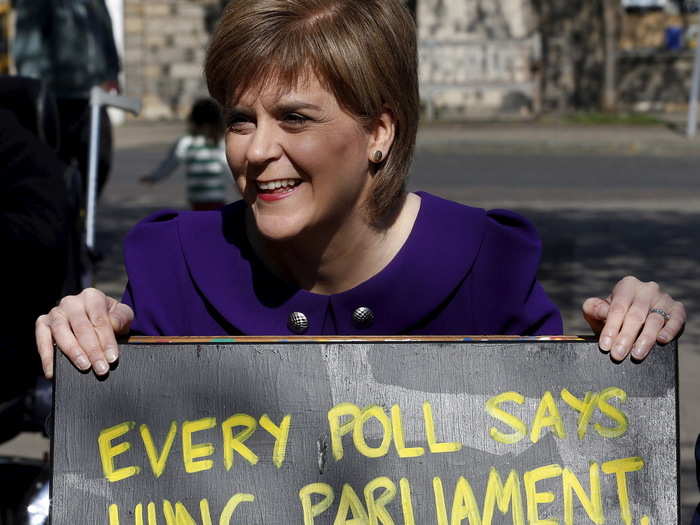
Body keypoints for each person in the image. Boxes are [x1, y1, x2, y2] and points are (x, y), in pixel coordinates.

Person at [35, 0, 686, 379]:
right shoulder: (172, 266)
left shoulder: (489, 267)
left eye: (294, 118)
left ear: (380, 131)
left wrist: (629, 342)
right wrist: (84, 335)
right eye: (241, 119)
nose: (258, 151)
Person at [12, 0, 121, 198]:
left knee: (99, 160)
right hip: (56, 97)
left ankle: (84, 211)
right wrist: (34, 91)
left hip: (93, 95)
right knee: (54, 162)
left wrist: (112, 73)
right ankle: (59, 212)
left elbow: (106, 30)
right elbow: (27, 45)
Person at [140, 98, 230, 211]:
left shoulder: (186, 143)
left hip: (201, 202)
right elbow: (229, 168)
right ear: (218, 122)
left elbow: (169, 164)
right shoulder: (218, 143)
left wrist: (154, 177)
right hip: (214, 201)